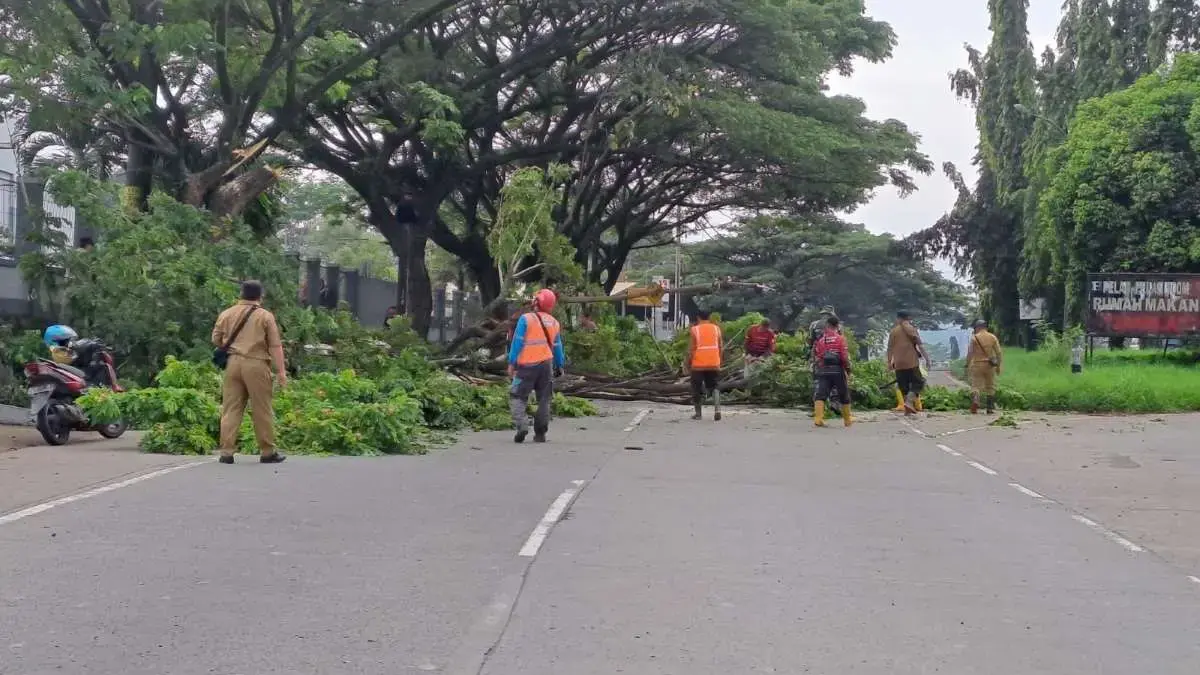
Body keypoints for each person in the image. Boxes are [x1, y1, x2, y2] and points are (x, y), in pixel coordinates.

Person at [212, 280, 287, 464]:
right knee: (261, 408)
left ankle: (227, 452)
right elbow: (275, 345)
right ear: (260, 295)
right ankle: (267, 451)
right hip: (257, 363)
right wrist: (281, 372)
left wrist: (231, 347)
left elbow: (216, 339)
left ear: (241, 294)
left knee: (231, 408)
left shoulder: (227, 313)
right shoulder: (265, 316)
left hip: (233, 364)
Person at [507, 289, 565, 443]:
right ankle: (540, 434)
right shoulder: (554, 322)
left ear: (535, 302)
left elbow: (517, 342)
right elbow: (558, 347)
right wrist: (560, 365)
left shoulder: (526, 319)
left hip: (526, 365)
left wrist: (512, 363)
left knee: (517, 396)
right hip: (546, 365)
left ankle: (522, 425)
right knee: (544, 399)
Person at [887, 310, 931, 415]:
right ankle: (909, 402)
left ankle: (908, 408)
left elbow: (889, 349)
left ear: (898, 318)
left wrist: (889, 362)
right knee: (919, 382)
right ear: (908, 318)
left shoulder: (893, 331)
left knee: (903, 386)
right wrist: (927, 359)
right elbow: (920, 346)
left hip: (898, 363)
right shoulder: (912, 329)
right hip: (911, 362)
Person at [811, 316, 853, 427]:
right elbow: (844, 357)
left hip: (824, 371)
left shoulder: (821, 340)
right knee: (844, 395)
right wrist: (847, 369)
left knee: (820, 395)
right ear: (837, 326)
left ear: (827, 325)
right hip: (837, 371)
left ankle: (818, 419)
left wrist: (820, 368)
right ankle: (847, 421)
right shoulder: (840, 339)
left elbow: (818, 356)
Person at [687, 310, 724, 421]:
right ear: (709, 317)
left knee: (696, 388)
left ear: (698, 318)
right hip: (714, 363)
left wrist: (688, 363)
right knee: (714, 386)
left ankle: (698, 414)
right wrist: (719, 360)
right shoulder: (716, 328)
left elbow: (692, 349)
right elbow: (721, 346)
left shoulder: (695, 329)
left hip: (698, 364)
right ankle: (717, 409)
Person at [966, 319, 1002, 414]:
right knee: (990, 386)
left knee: (975, 386)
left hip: (977, 364)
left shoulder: (974, 338)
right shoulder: (992, 337)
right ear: (986, 327)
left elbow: (970, 353)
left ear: (978, 327)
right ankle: (989, 408)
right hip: (990, 366)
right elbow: (999, 353)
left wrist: (967, 364)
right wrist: (998, 366)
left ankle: (976, 400)